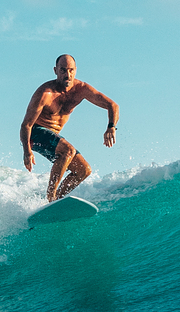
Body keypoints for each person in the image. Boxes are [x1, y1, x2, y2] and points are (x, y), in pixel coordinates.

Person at [20, 55, 119, 202]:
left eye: (71, 70)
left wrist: (111, 127)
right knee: (68, 151)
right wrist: (27, 152)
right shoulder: (45, 93)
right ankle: (51, 197)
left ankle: (56, 201)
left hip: (53, 137)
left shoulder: (81, 89)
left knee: (83, 170)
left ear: (75, 70)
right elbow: (26, 125)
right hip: (35, 133)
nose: (68, 74)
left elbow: (113, 105)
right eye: (63, 70)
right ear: (55, 70)